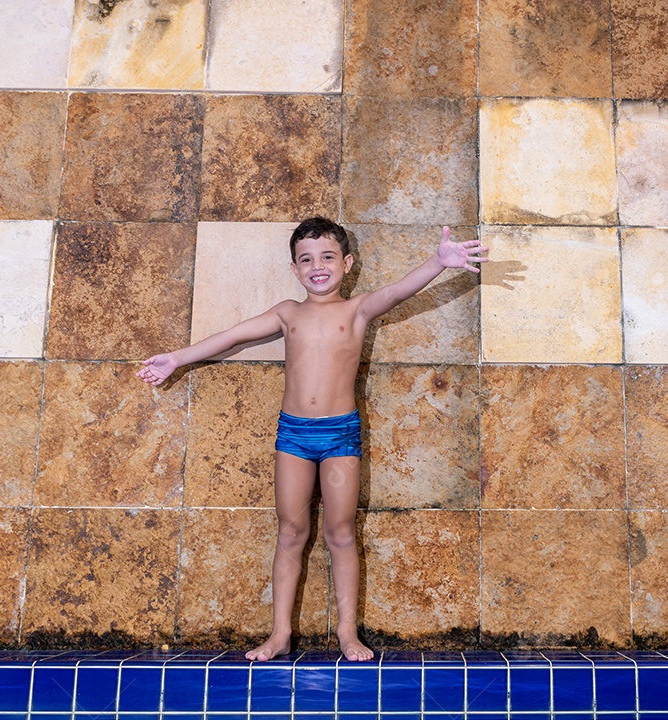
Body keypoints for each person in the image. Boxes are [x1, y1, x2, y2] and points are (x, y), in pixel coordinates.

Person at [136, 217, 487, 662]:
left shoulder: (357, 310)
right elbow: (233, 335)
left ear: (347, 262)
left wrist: (438, 262)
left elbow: (397, 291)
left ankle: (346, 632)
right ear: (294, 268)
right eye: (306, 259)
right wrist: (177, 358)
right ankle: (280, 633)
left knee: (340, 533)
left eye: (327, 257)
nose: (317, 266)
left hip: (340, 434)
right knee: (291, 531)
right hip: (294, 436)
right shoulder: (288, 313)